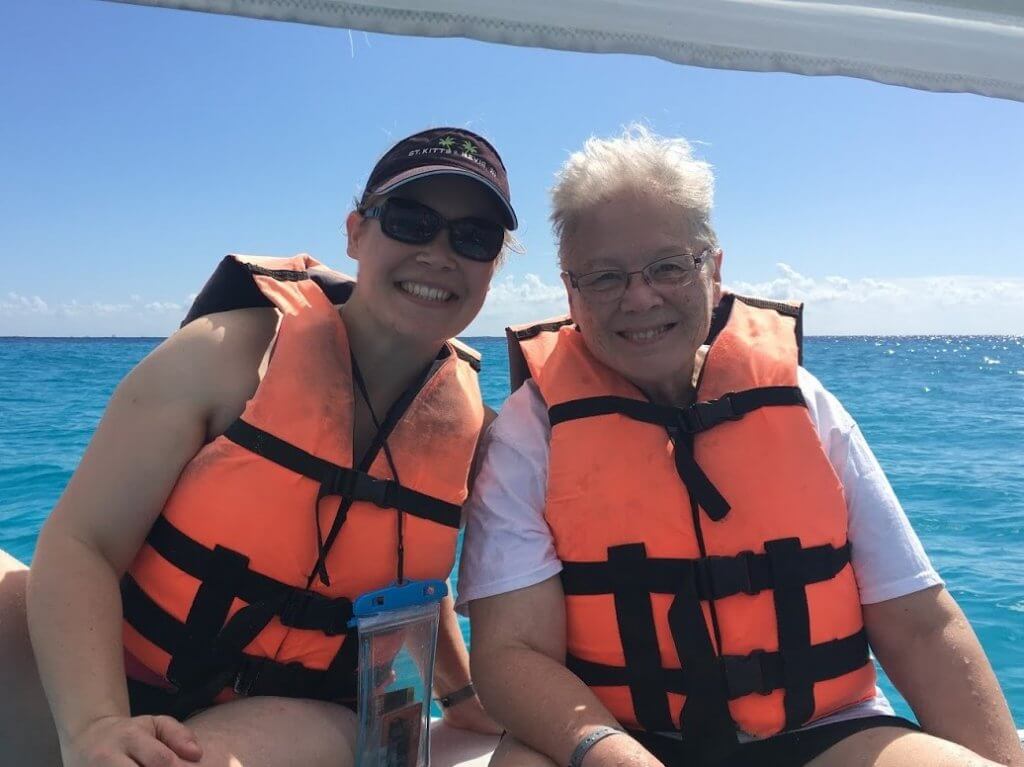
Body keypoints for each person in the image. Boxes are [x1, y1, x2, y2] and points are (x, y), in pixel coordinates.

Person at [459, 126, 1022, 767]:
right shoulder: (530, 434)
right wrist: (609, 754)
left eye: (668, 266)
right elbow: (511, 655)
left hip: (823, 733)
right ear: (570, 293)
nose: (639, 297)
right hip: (610, 735)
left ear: (714, 269)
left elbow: (921, 624)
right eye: (604, 276)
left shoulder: (804, 405)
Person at [0, 126, 516, 767]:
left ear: (493, 268)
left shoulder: (477, 434)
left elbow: (414, 583)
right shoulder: (226, 356)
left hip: (294, 715)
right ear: (356, 232)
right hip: (113, 660)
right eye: (410, 220)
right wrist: (96, 725)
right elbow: (83, 542)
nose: (439, 254)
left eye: (474, 238)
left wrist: (464, 698)